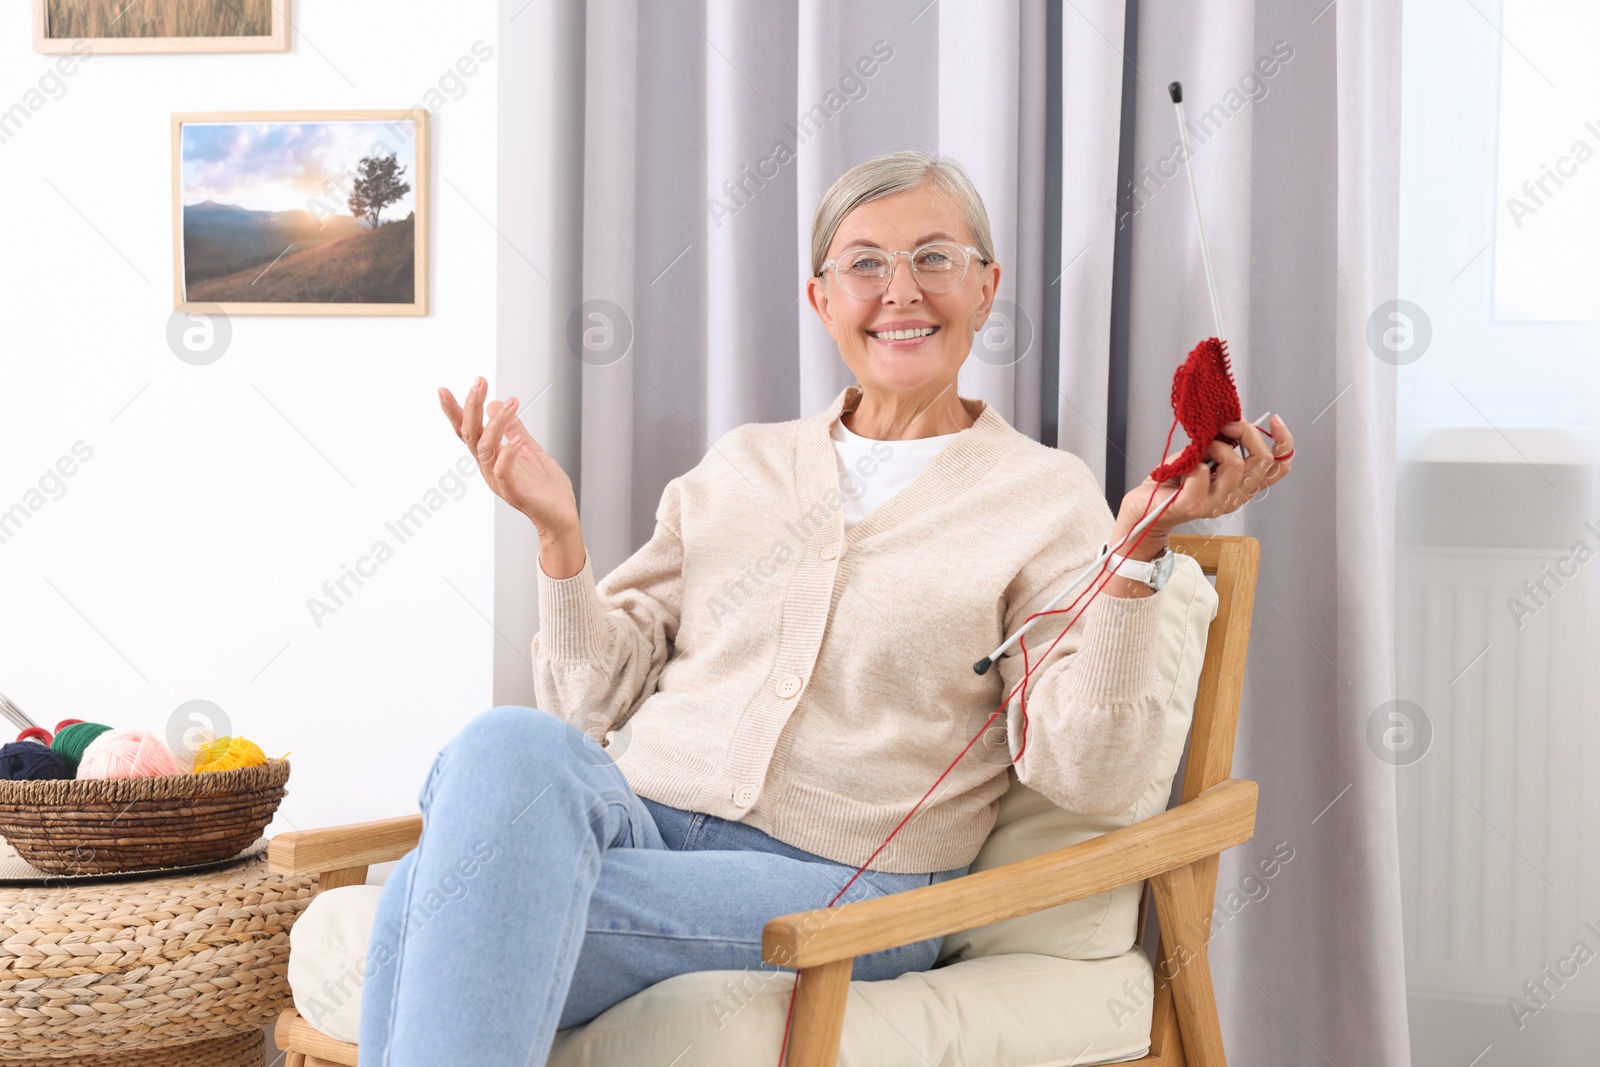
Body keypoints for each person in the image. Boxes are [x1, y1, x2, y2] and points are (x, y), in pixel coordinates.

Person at [359, 148, 1294, 1065]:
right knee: (503, 744)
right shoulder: (741, 465)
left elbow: (1093, 773)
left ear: (986, 286)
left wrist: (1135, 557)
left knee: (435, 894)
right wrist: (560, 541)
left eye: (935, 258)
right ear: (821, 299)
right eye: (864, 264)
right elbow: (587, 706)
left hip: (848, 884)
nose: (902, 290)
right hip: (638, 818)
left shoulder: (1043, 497)